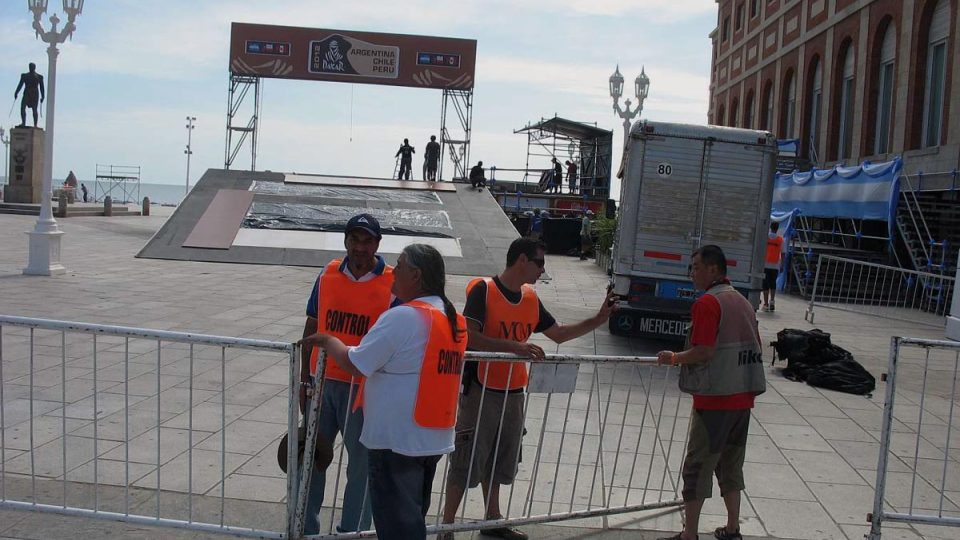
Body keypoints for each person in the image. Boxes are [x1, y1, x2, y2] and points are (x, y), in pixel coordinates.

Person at [440, 237, 617, 540]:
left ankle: (492, 519)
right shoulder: (484, 290)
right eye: (540, 262)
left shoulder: (531, 299)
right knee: (467, 456)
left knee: (500, 456)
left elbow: (558, 334)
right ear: (522, 260)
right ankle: (447, 526)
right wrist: (513, 347)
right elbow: (469, 337)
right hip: (481, 390)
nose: (542, 270)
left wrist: (599, 319)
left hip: (512, 391)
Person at [301, 244, 468, 540]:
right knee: (411, 521)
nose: (394, 271)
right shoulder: (451, 318)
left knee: (397, 529)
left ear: (415, 275)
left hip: (398, 443)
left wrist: (329, 341)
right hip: (431, 438)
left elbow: (356, 362)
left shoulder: (405, 317)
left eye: (401, 266)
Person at [655, 245, 766, 540]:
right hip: (742, 399)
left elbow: (704, 351)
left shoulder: (707, 303)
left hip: (716, 399)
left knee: (696, 467)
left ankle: (689, 534)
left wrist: (675, 358)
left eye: (696, 267)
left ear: (714, 270)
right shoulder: (742, 301)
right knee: (731, 466)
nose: (692, 273)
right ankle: (732, 529)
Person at [299, 213, 395, 535]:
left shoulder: (393, 284)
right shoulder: (327, 276)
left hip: (364, 389)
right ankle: (305, 528)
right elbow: (312, 326)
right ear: (346, 241)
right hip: (322, 383)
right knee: (310, 460)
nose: (360, 247)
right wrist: (303, 378)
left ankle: (351, 531)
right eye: (355, 239)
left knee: (361, 469)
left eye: (367, 240)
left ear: (377, 244)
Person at [14, 63, 44, 128]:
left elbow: (42, 87)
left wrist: (43, 96)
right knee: (22, 107)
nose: (30, 68)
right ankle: (23, 123)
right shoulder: (24, 76)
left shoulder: (39, 77)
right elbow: (20, 85)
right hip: (27, 93)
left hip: (35, 94)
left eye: (32, 67)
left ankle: (35, 125)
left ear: (34, 68)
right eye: (30, 66)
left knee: (34, 109)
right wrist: (16, 92)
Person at [762, 222, 783, 312]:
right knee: (773, 283)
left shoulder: (765, 238)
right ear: (777, 228)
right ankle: (772, 301)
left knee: (765, 284)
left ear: (770, 227)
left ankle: (766, 304)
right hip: (775, 265)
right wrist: (782, 265)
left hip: (765, 264)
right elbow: (784, 253)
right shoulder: (781, 240)